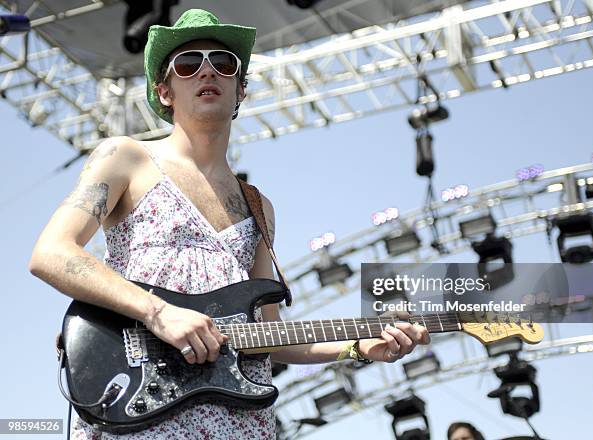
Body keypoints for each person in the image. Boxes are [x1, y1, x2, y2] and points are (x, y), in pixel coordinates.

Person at [29, 9, 430, 439]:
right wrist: (159, 313)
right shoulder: (126, 157)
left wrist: (358, 345)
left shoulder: (259, 207)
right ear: (164, 91)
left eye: (223, 63)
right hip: (141, 408)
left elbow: (268, 334)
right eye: (188, 64)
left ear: (240, 90)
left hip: (234, 422)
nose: (207, 71)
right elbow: (51, 253)